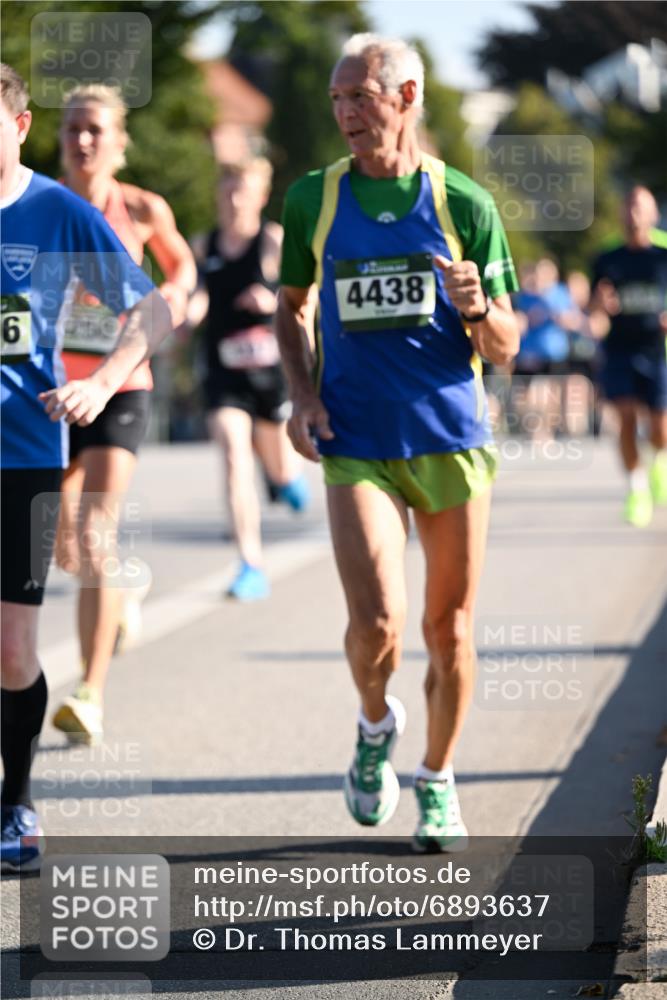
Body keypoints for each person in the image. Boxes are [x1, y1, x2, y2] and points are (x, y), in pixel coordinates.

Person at [276, 34, 519, 851]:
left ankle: (439, 778)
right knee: (376, 620)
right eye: (338, 99)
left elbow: (508, 346)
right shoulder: (314, 198)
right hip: (356, 439)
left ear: (406, 96)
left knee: (448, 629)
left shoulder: (464, 206)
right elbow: (289, 306)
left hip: (450, 439)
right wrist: (302, 394)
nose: (345, 112)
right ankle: (374, 724)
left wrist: (478, 306)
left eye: (361, 97)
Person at [0, 64, 172, 871]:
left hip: (23, 451)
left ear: (21, 125)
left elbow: (153, 306)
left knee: (10, 648)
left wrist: (100, 383)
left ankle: (17, 803)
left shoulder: (56, 213)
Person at [49, 85, 196, 745]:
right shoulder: (36, 205)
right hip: (46, 391)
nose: (83, 140)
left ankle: (89, 693)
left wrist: (176, 296)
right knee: (59, 544)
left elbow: (182, 265)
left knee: (96, 535)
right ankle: (115, 601)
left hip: (119, 387)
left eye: (95, 129)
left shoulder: (139, 207)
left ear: (118, 141)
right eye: (74, 128)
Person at [188, 159, 309, 601]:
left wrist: (269, 298)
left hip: (269, 373)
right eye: (228, 191)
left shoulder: (271, 240)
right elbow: (197, 293)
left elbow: (298, 293)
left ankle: (286, 479)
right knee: (234, 455)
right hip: (223, 371)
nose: (236, 200)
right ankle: (250, 564)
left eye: (245, 191)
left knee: (278, 465)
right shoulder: (204, 245)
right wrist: (187, 315)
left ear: (260, 196)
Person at [592, 186, 667, 527]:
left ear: (654, 215)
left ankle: (657, 462)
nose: (634, 212)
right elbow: (593, 308)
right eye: (629, 205)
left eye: (641, 207)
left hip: (658, 350)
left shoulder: (663, 254)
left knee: (660, 428)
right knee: (624, 417)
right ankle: (636, 489)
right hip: (620, 348)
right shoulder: (607, 258)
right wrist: (599, 306)